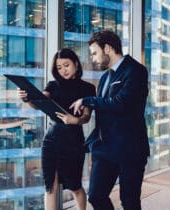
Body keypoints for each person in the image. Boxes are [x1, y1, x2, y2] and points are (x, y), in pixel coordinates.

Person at [70, 30, 150, 210]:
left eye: (95, 53)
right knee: (96, 196)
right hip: (105, 150)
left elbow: (122, 104)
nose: (93, 58)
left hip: (131, 149)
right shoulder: (106, 77)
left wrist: (88, 100)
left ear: (107, 48)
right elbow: (104, 110)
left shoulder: (135, 70)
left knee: (129, 202)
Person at [17, 48, 96, 210]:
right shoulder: (53, 85)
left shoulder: (88, 88)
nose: (63, 70)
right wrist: (27, 98)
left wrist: (75, 120)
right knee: (50, 185)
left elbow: (87, 116)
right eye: (59, 67)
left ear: (75, 63)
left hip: (73, 139)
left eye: (66, 65)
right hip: (51, 139)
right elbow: (38, 102)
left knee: (74, 185)